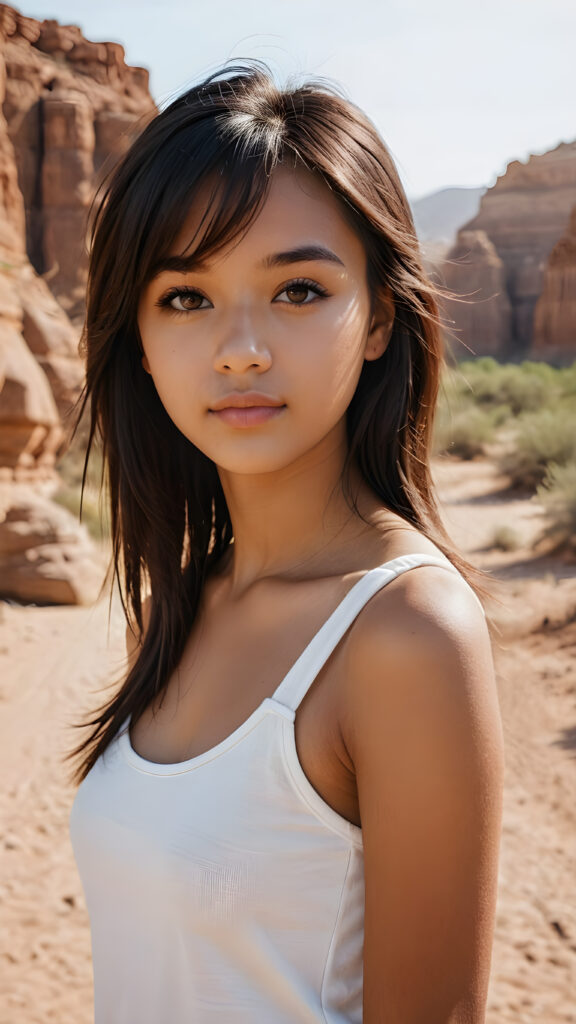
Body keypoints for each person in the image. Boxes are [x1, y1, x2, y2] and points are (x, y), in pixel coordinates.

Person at [67, 61, 505, 1024]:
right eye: (186, 297)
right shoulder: (182, 599)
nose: (241, 349)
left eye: (299, 291)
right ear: (137, 337)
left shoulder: (407, 635)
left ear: (381, 316)